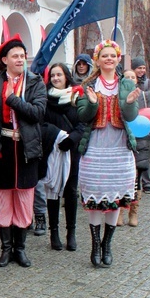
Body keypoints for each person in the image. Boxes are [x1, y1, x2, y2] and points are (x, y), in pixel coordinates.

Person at [0, 34, 46, 268]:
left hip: (26, 149)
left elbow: (38, 113)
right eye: (15, 56)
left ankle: (20, 249)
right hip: (2, 148)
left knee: (24, 199)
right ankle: (5, 249)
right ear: (4, 59)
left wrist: (12, 100)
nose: (20, 59)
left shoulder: (36, 83)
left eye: (22, 56)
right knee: (2, 200)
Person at [76, 40, 139, 268]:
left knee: (115, 198)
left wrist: (130, 104)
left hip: (120, 149)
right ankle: (94, 245)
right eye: (105, 56)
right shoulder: (88, 84)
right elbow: (83, 115)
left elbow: (131, 117)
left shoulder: (126, 85)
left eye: (113, 55)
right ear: (98, 60)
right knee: (95, 197)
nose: (109, 59)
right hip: (95, 148)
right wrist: (92, 104)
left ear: (118, 59)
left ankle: (107, 244)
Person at [43, 63, 84, 251]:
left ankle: (71, 232)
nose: (56, 78)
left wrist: (72, 139)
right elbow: (42, 123)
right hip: (54, 149)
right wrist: (57, 136)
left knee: (70, 191)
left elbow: (83, 124)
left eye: (59, 74)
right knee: (53, 190)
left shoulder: (76, 97)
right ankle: (54, 232)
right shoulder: (45, 98)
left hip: (72, 150)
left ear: (66, 76)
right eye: (53, 75)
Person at [120, 69, 150, 227]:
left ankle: (133, 212)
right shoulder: (119, 95)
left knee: (136, 179)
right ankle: (119, 211)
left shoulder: (145, 96)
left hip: (140, 142)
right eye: (127, 77)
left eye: (133, 77)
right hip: (123, 140)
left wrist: (147, 133)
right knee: (120, 178)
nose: (131, 79)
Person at [130, 57, 150, 193]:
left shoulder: (148, 84)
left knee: (145, 156)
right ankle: (132, 182)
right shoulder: (127, 85)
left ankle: (146, 183)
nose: (141, 70)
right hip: (131, 123)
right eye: (139, 68)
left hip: (144, 124)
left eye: (143, 68)